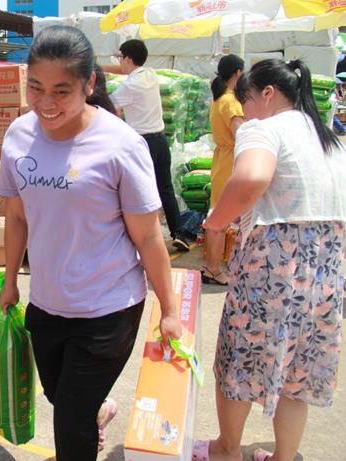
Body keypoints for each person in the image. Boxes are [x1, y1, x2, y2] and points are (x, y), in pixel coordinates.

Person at [0, 25, 183, 461]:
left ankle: (85, 423)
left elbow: (148, 236)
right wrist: (10, 281)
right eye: (35, 88)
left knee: (70, 421)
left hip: (108, 309)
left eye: (61, 91)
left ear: (89, 83)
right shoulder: (19, 136)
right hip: (47, 303)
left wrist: (169, 310)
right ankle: (96, 412)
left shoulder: (120, 145)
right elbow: (17, 216)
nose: (46, 103)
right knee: (59, 396)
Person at [193, 59, 345, 461]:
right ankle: (284, 456)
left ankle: (226, 450)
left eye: (245, 100)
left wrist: (216, 222)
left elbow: (251, 177)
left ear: (267, 93)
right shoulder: (328, 139)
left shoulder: (264, 128)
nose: (243, 112)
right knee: (298, 371)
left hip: (273, 265)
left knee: (239, 360)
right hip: (326, 271)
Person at [105, 39, 190, 252]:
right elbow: (123, 70)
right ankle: (178, 233)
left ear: (127, 58)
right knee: (165, 189)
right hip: (161, 141)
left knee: (138, 192)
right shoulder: (150, 75)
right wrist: (99, 66)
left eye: (120, 57)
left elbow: (109, 108)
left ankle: (143, 238)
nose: (119, 62)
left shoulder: (129, 86)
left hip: (143, 144)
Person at [203, 54, 245, 286]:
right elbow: (241, 134)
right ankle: (214, 269)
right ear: (238, 72)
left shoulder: (218, 98)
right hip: (230, 162)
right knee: (222, 221)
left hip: (221, 161)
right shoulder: (231, 102)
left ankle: (210, 266)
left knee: (215, 218)